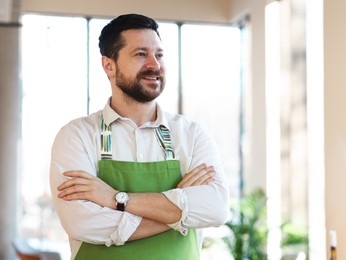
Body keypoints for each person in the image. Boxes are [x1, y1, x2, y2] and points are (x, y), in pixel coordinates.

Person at [49, 13, 230, 260]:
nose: (154, 65)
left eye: (159, 54)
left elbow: (216, 209)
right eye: (140, 54)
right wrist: (179, 211)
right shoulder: (76, 136)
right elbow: (83, 224)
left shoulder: (192, 135)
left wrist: (115, 199)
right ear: (108, 65)